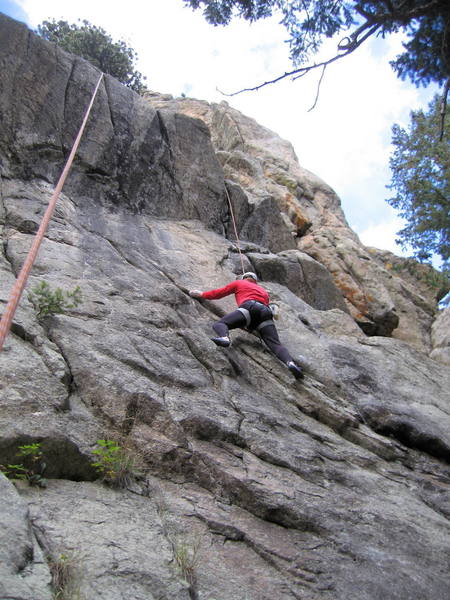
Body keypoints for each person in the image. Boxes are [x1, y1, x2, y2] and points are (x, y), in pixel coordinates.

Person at [189, 272, 304, 379]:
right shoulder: (263, 291)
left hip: (249, 308)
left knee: (221, 323)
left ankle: (224, 337)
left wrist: (202, 294)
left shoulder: (239, 283)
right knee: (275, 344)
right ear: (255, 280)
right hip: (265, 313)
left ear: (244, 278)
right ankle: (291, 363)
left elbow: (219, 293)